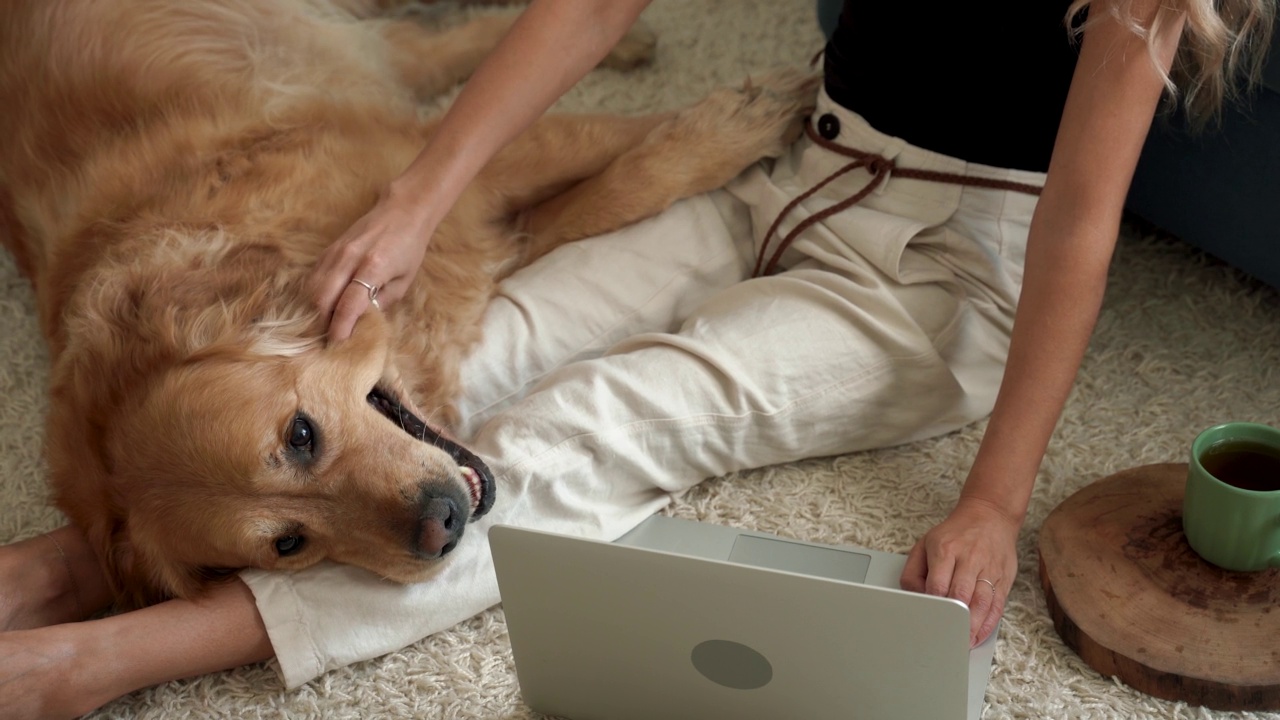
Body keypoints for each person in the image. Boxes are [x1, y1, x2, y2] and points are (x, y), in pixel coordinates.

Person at [0, 0, 1272, 717]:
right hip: (795, 158)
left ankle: (111, 659)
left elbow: (1076, 228)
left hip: (934, 275)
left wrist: (994, 500)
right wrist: (417, 199)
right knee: (466, 349)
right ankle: (106, 544)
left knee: (593, 427)